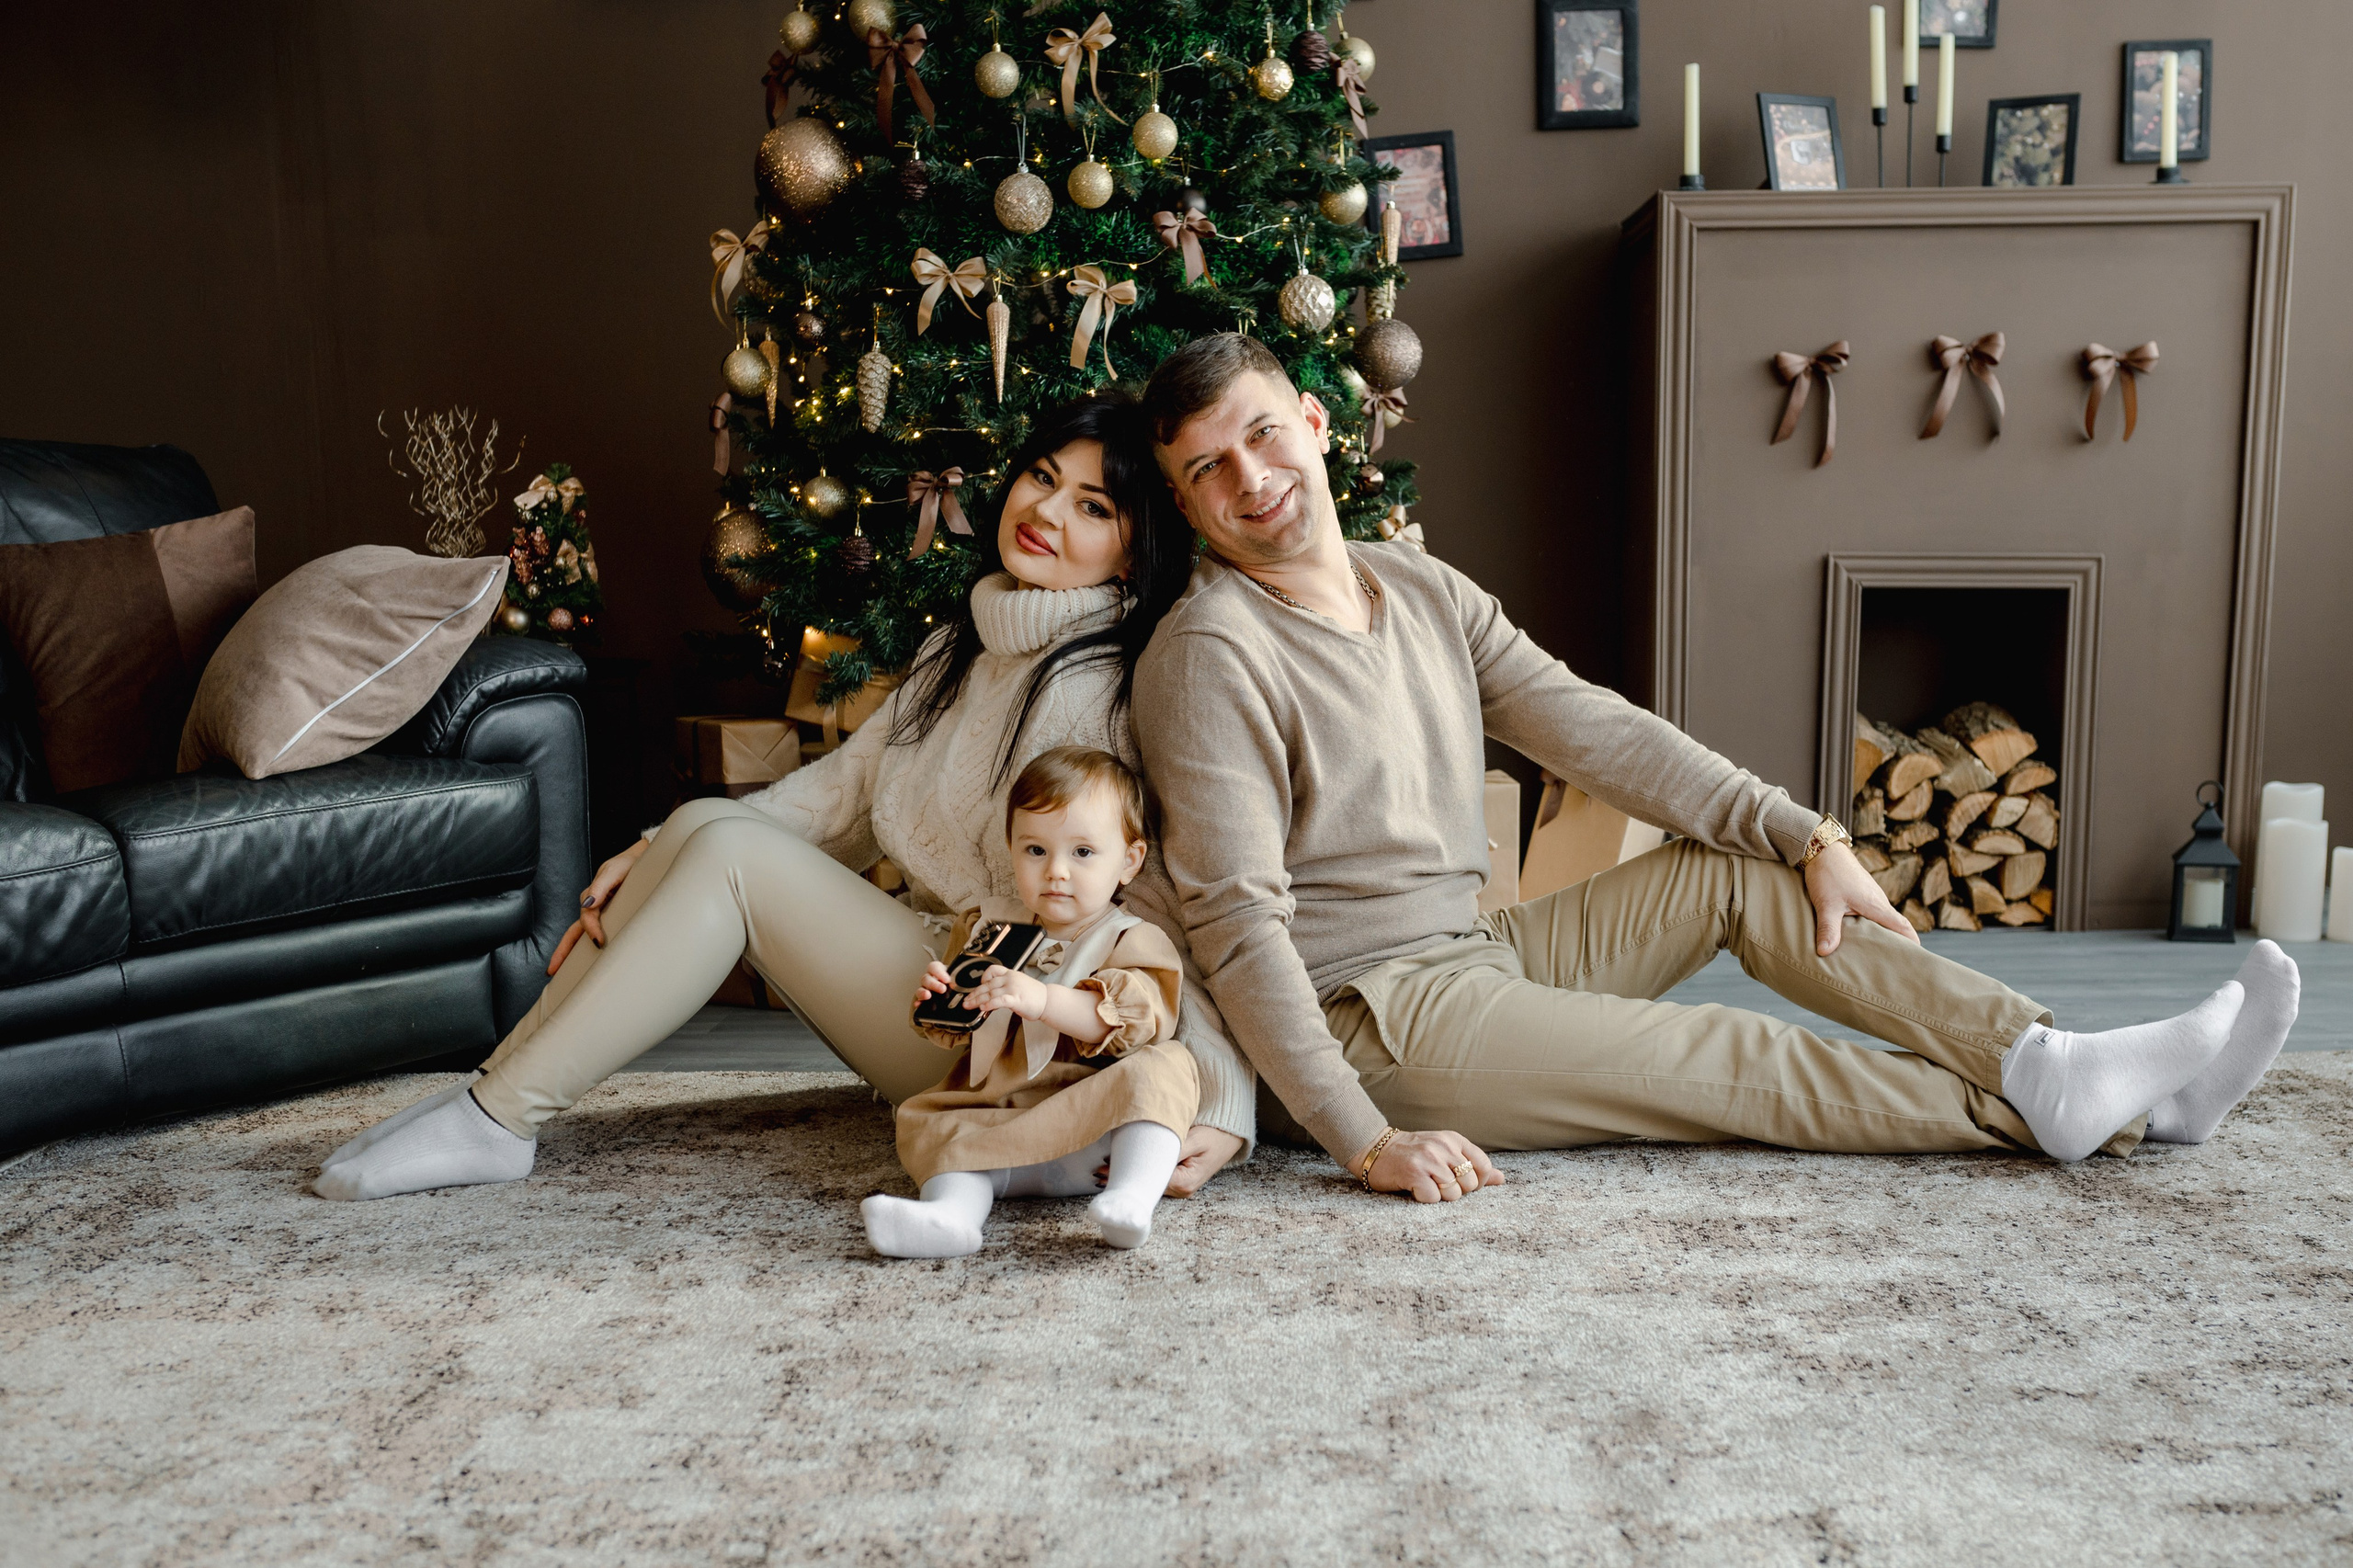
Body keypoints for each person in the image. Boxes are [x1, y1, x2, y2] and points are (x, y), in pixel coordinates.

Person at [1130, 334, 2302, 1201]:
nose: (1250, 478)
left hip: (1476, 947)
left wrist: (1808, 833)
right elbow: (1237, 929)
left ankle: (2047, 1060)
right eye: (1207, 468)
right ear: (1187, 506)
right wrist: (1362, 1138)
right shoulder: (1210, 656)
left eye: (1261, 433)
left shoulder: (1415, 584)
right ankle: (2111, 1114)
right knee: (1722, 1053)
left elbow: (1594, 729)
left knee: (1745, 871)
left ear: (1314, 422)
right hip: (1371, 1022)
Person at [314, 392, 1254, 1202]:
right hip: (944, 973)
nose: (1045, 510)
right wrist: (654, 846)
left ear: (1133, 551)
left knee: (726, 851)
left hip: (1019, 1034)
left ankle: (497, 1116)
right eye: (1041, 477)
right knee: (700, 824)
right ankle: (494, 1093)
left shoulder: (1112, 686)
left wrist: (1220, 1099)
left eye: (1092, 506)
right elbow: (842, 794)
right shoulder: (960, 644)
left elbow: (1178, 898)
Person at [870, 747, 1196, 1257]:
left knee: (1167, 1067)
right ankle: (951, 1217)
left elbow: (1127, 1025)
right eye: (1036, 850)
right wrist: (939, 1002)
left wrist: (1042, 998)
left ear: (1129, 861)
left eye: (1082, 852)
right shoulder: (989, 928)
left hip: (1093, 1131)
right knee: (938, 1123)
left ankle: (1132, 1198)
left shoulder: (1131, 939)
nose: (1056, 871)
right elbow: (963, 1023)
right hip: (995, 1120)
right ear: (1012, 849)